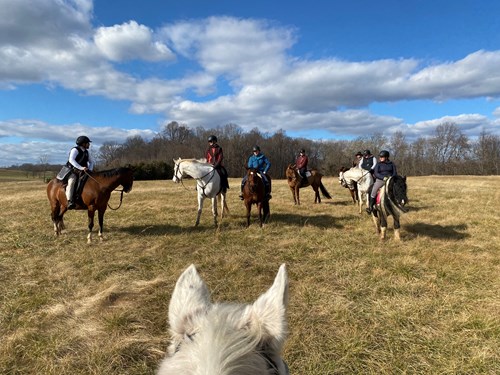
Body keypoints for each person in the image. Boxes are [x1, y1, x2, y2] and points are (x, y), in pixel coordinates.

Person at [65, 135, 94, 209]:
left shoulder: (87, 152)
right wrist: (81, 168)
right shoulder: (75, 150)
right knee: (72, 182)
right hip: (73, 171)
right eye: (88, 143)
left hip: (84, 171)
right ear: (83, 143)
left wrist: (90, 170)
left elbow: (91, 162)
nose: (89, 144)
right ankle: (70, 201)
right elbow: (71, 160)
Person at [366, 150, 397, 214]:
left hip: (390, 180)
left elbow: (395, 172)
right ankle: (370, 206)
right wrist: (383, 178)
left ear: (386, 157)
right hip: (380, 180)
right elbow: (376, 173)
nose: (380, 158)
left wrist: (391, 178)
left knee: (398, 188)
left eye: (382, 157)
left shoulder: (392, 164)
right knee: (374, 190)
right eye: (380, 157)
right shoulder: (378, 164)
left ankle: (399, 203)